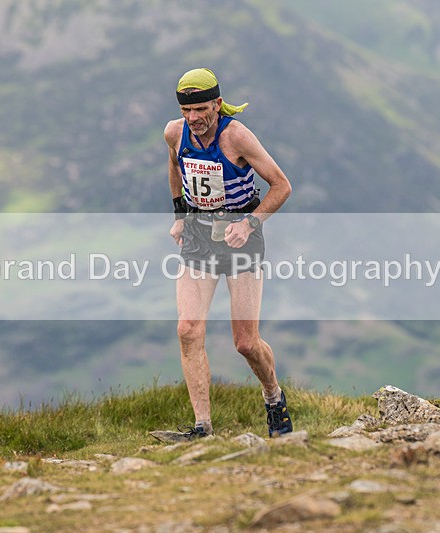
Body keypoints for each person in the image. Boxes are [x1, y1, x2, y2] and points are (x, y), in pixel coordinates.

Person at [162, 68, 293, 440]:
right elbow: (174, 166)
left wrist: (249, 223)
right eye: (187, 111)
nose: (194, 119)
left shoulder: (236, 136)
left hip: (241, 241)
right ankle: (203, 427)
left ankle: (273, 397)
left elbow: (282, 186)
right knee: (188, 330)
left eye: (201, 109)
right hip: (200, 239)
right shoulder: (174, 133)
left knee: (246, 343)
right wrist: (180, 214)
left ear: (217, 104)